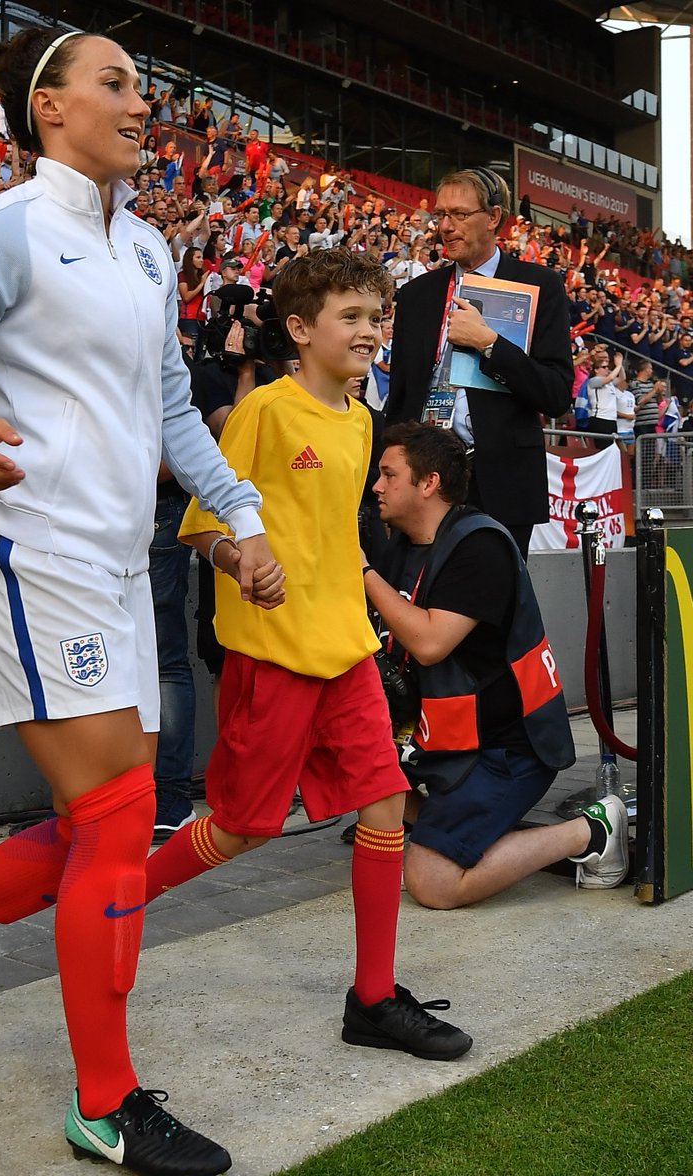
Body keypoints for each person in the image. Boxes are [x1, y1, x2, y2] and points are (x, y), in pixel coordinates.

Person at [0, 26, 282, 1176]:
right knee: (114, 819)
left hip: (120, 561)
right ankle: (105, 1103)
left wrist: (240, 517)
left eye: (143, 89)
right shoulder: (6, 226)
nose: (140, 104)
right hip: (31, 552)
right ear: (49, 107)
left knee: (99, 820)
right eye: (116, 84)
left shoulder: (151, 252)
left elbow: (173, 415)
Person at [149, 248, 473, 1060]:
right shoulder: (264, 411)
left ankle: (372, 998)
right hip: (274, 651)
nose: (370, 331)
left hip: (347, 649)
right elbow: (198, 523)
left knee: (385, 803)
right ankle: (117, 899)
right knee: (241, 828)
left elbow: (334, 539)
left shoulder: (364, 423)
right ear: (299, 329)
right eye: (352, 316)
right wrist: (237, 561)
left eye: (377, 316)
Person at [361, 422, 629, 907]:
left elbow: (429, 643)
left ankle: (591, 831)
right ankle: (463, 829)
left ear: (429, 483)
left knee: (432, 882)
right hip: (446, 743)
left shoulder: (478, 544)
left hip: (508, 750)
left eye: (388, 474)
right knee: (356, 774)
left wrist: (358, 572)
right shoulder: (403, 545)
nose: (376, 487)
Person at [386, 168, 573, 559]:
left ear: (493, 218)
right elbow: (401, 396)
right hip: (424, 477)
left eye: (459, 215)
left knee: (491, 608)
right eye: (440, 215)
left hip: (501, 481)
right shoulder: (418, 295)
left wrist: (490, 344)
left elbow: (555, 394)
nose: (446, 227)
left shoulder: (539, 285)